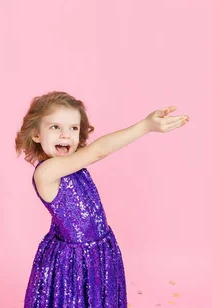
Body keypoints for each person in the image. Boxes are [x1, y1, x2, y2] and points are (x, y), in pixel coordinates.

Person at [15, 91, 189, 307]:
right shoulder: (47, 173)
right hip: (75, 261)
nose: (65, 134)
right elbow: (97, 151)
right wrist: (145, 126)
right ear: (36, 135)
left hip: (99, 251)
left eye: (73, 128)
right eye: (55, 127)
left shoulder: (73, 164)